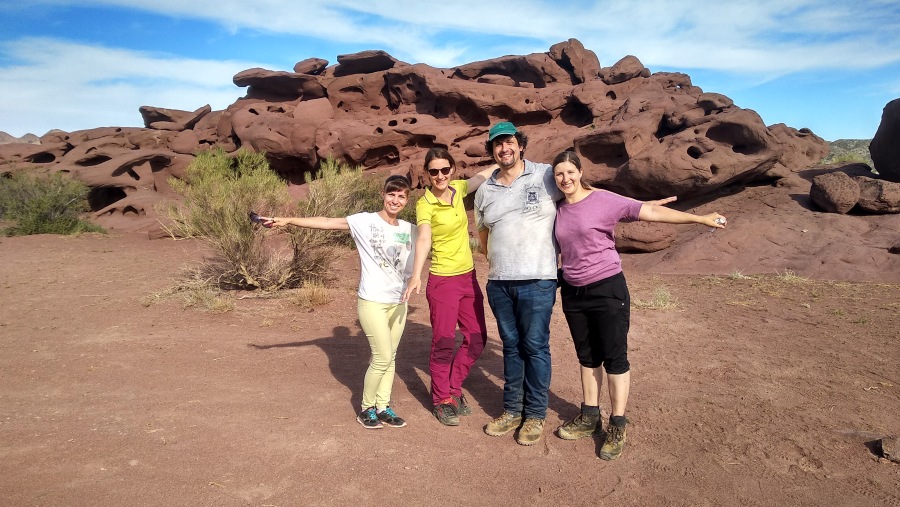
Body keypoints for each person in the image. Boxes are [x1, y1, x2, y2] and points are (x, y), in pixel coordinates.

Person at [551, 150, 726, 460]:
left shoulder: (603, 201)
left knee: (614, 357)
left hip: (607, 287)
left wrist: (699, 218)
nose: (565, 178)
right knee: (587, 357)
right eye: (559, 174)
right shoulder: (558, 208)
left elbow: (651, 213)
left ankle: (618, 424)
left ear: (580, 172)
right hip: (574, 292)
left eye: (570, 172)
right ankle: (590, 416)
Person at [261, 175, 416, 430]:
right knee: (382, 356)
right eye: (391, 194)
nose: (395, 200)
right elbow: (326, 222)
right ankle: (367, 409)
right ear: (383, 194)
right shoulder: (365, 221)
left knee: (392, 356)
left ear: (407, 200)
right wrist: (288, 220)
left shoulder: (409, 228)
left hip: (399, 301)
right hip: (373, 300)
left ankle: (383, 406)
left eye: (401, 196)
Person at [473, 122, 564, 446]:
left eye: (509, 142)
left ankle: (535, 415)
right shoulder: (485, 190)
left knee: (535, 346)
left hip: (538, 280)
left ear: (520, 144)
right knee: (512, 347)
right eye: (497, 145)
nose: (504, 149)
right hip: (500, 283)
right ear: (492, 151)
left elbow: (577, 200)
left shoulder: (546, 175)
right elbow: (482, 233)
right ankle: (512, 410)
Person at [402, 148, 495, 427]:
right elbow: (424, 238)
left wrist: (511, 159)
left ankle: (453, 389)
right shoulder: (425, 204)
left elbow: (482, 175)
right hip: (442, 280)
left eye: (445, 170)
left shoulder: (458, 187)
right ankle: (442, 398)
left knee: (477, 338)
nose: (440, 176)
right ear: (427, 174)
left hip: (468, 277)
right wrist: (417, 273)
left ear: (452, 170)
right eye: (434, 172)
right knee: (443, 341)